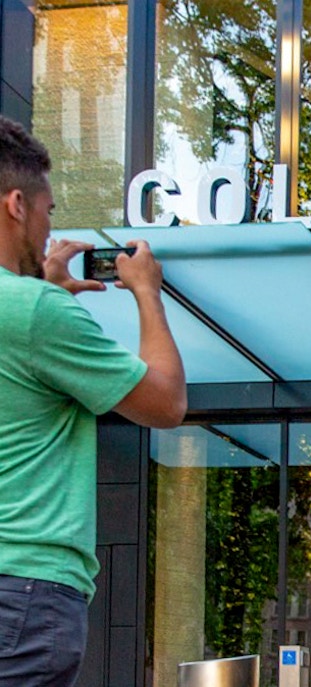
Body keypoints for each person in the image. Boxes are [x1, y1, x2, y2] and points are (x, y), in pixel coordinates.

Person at [0, 115, 187, 685]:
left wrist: (47, 297)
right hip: (25, 585)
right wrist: (147, 294)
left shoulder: (34, 311)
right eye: (49, 210)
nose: (48, 224)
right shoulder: (33, 311)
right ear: (16, 204)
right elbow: (166, 402)